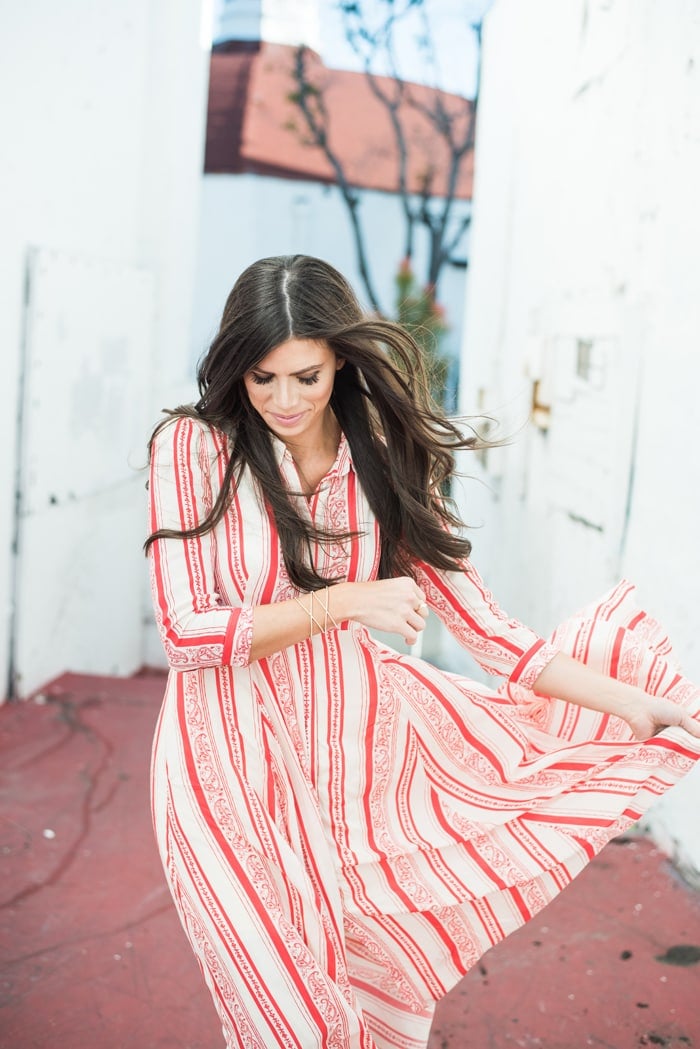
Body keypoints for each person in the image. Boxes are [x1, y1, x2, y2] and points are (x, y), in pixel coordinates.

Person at [145, 254, 700, 1049]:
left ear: (340, 356)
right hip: (221, 772)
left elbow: (488, 629)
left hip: (354, 774)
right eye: (261, 377)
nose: (283, 400)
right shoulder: (194, 448)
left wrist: (629, 703)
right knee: (285, 1019)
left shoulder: (378, 455)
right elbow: (185, 631)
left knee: (362, 1007)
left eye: (306, 375)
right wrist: (341, 600)